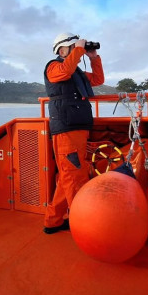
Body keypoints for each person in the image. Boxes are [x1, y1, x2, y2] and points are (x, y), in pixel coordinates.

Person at [43, 32, 104, 234]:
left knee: (68, 176)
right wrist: (78, 49)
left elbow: (97, 79)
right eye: (73, 46)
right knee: (75, 177)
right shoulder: (54, 67)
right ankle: (83, 225)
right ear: (62, 50)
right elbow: (64, 71)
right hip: (67, 129)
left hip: (78, 127)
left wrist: (93, 57)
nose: (79, 49)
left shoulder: (76, 71)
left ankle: (53, 221)